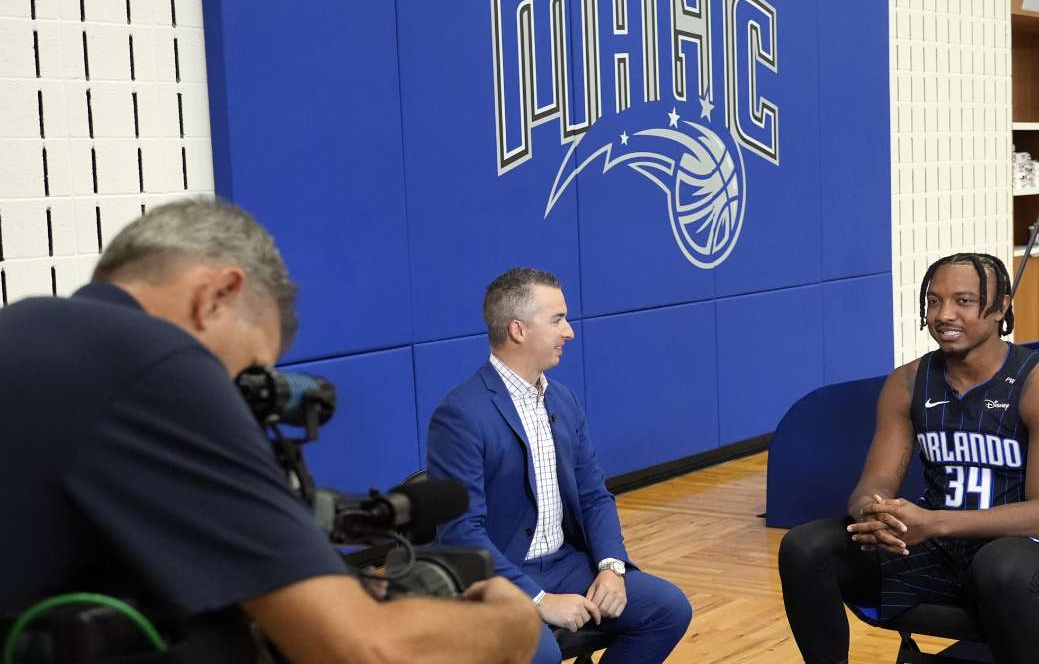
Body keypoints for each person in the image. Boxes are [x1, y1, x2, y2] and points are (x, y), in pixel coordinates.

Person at [0, 198, 539, 664]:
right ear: (217, 296)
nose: (239, 399)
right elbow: (366, 650)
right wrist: (510, 629)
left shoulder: (27, 331)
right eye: (249, 370)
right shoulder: (158, 364)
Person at [778, 252, 1039, 664]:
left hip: (1024, 549)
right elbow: (873, 485)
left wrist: (934, 523)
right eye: (934, 301)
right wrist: (873, 512)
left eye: (964, 301)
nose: (945, 314)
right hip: (936, 545)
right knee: (805, 547)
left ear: (1002, 307)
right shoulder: (907, 382)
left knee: (1001, 568)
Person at [427, 267, 692, 664]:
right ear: (518, 330)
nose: (569, 331)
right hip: (500, 574)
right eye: (557, 320)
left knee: (667, 609)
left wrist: (610, 567)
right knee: (541, 654)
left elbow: (593, 495)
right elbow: (461, 530)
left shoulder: (563, 401)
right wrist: (538, 600)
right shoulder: (460, 414)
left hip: (565, 564)